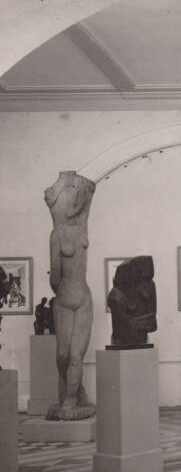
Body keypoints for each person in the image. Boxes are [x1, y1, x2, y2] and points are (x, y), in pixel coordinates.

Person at [44, 171, 96, 420]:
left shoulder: (81, 227)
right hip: (64, 301)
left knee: (75, 356)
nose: (75, 202)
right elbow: (55, 278)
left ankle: (71, 400)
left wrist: (72, 182)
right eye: (70, 197)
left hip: (83, 300)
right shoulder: (56, 235)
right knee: (62, 356)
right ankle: (79, 391)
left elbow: (90, 190)